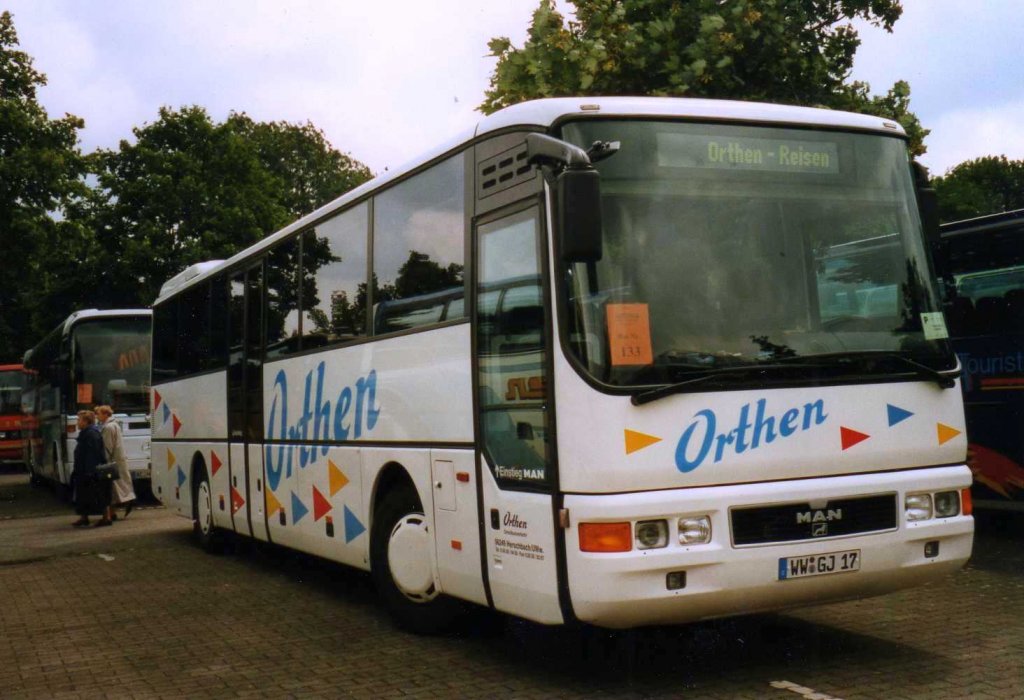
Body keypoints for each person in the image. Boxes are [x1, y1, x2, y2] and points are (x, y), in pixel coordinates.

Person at [96, 405, 136, 521]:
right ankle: (115, 510)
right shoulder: (114, 425)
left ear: (105, 414)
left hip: (112, 461)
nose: (97, 416)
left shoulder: (108, 427)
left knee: (112, 487)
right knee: (116, 486)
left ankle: (127, 501)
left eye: (98, 414)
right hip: (118, 460)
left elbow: (107, 446)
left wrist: (105, 460)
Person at [71, 410, 110, 527]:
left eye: (79, 420)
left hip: (89, 470)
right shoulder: (87, 432)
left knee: (98, 494)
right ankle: (84, 517)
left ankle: (106, 517)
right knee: (85, 494)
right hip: (84, 469)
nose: (77, 423)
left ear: (86, 421)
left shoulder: (91, 434)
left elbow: (93, 453)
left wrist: (89, 470)